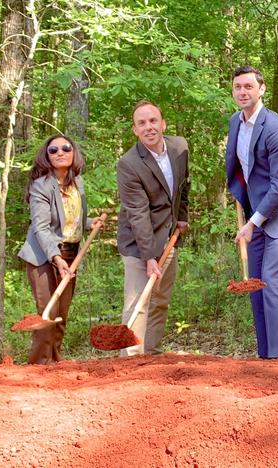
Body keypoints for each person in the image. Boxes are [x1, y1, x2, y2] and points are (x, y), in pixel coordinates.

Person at [225, 66, 278, 359]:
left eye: (249, 86)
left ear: (261, 89)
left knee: (273, 284)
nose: (243, 92)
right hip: (255, 214)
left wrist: (253, 222)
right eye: (238, 87)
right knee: (256, 287)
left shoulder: (276, 128)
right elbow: (240, 167)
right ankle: (265, 359)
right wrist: (245, 205)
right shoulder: (235, 122)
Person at [18, 135, 104, 364]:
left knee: (61, 314)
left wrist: (89, 222)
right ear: (46, 157)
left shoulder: (78, 183)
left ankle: (55, 364)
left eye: (65, 148)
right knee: (48, 312)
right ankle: (38, 368)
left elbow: (69, 219)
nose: (59, 153)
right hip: (43, 255)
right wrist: (55, 257)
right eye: (53, 150)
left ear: (73, 152)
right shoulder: (41, 186)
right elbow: (42, 227)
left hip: (70, 253)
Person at [117, 100, 189, 356]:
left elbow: (183, 185)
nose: (149, 127)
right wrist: (148, 256)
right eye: (142, 123)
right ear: (135, 130)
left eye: (153, 121)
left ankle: (153, 355)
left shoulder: (179, 147)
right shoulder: (129, 164)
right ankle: (130, 360)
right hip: (139, 244)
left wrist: (182, 215)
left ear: (163, 123)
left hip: (168, 237)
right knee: (138, 302)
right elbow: (137, 214)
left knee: (160, 300)